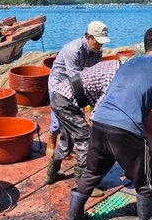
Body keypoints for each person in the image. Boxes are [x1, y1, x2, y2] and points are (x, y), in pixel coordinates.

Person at [67, 25, 152, 220]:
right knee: (144, 181)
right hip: (125, 131)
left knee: (92, 174)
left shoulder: (129, 63)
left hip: (99, 123)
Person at [45, 59, 121, 197]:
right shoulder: (114, 79)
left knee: (67, 137)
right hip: (66, 100)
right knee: (85, 138)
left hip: (60, 96)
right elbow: (98, 112)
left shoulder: (113, 64)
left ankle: (51, 174)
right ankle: (82, 185)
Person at [46, 20, 110, 158]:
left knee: (77, 116)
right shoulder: (73, 50)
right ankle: (51, 138)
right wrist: (86, 105)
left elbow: (96, 73)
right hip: (60, 82)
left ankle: (70, 145)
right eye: (97, 41)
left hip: (78, 80)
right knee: (61, 117)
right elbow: (75, 80)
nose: (100, 45)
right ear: (89, 37)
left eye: (102, 42)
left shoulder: (97, 51)